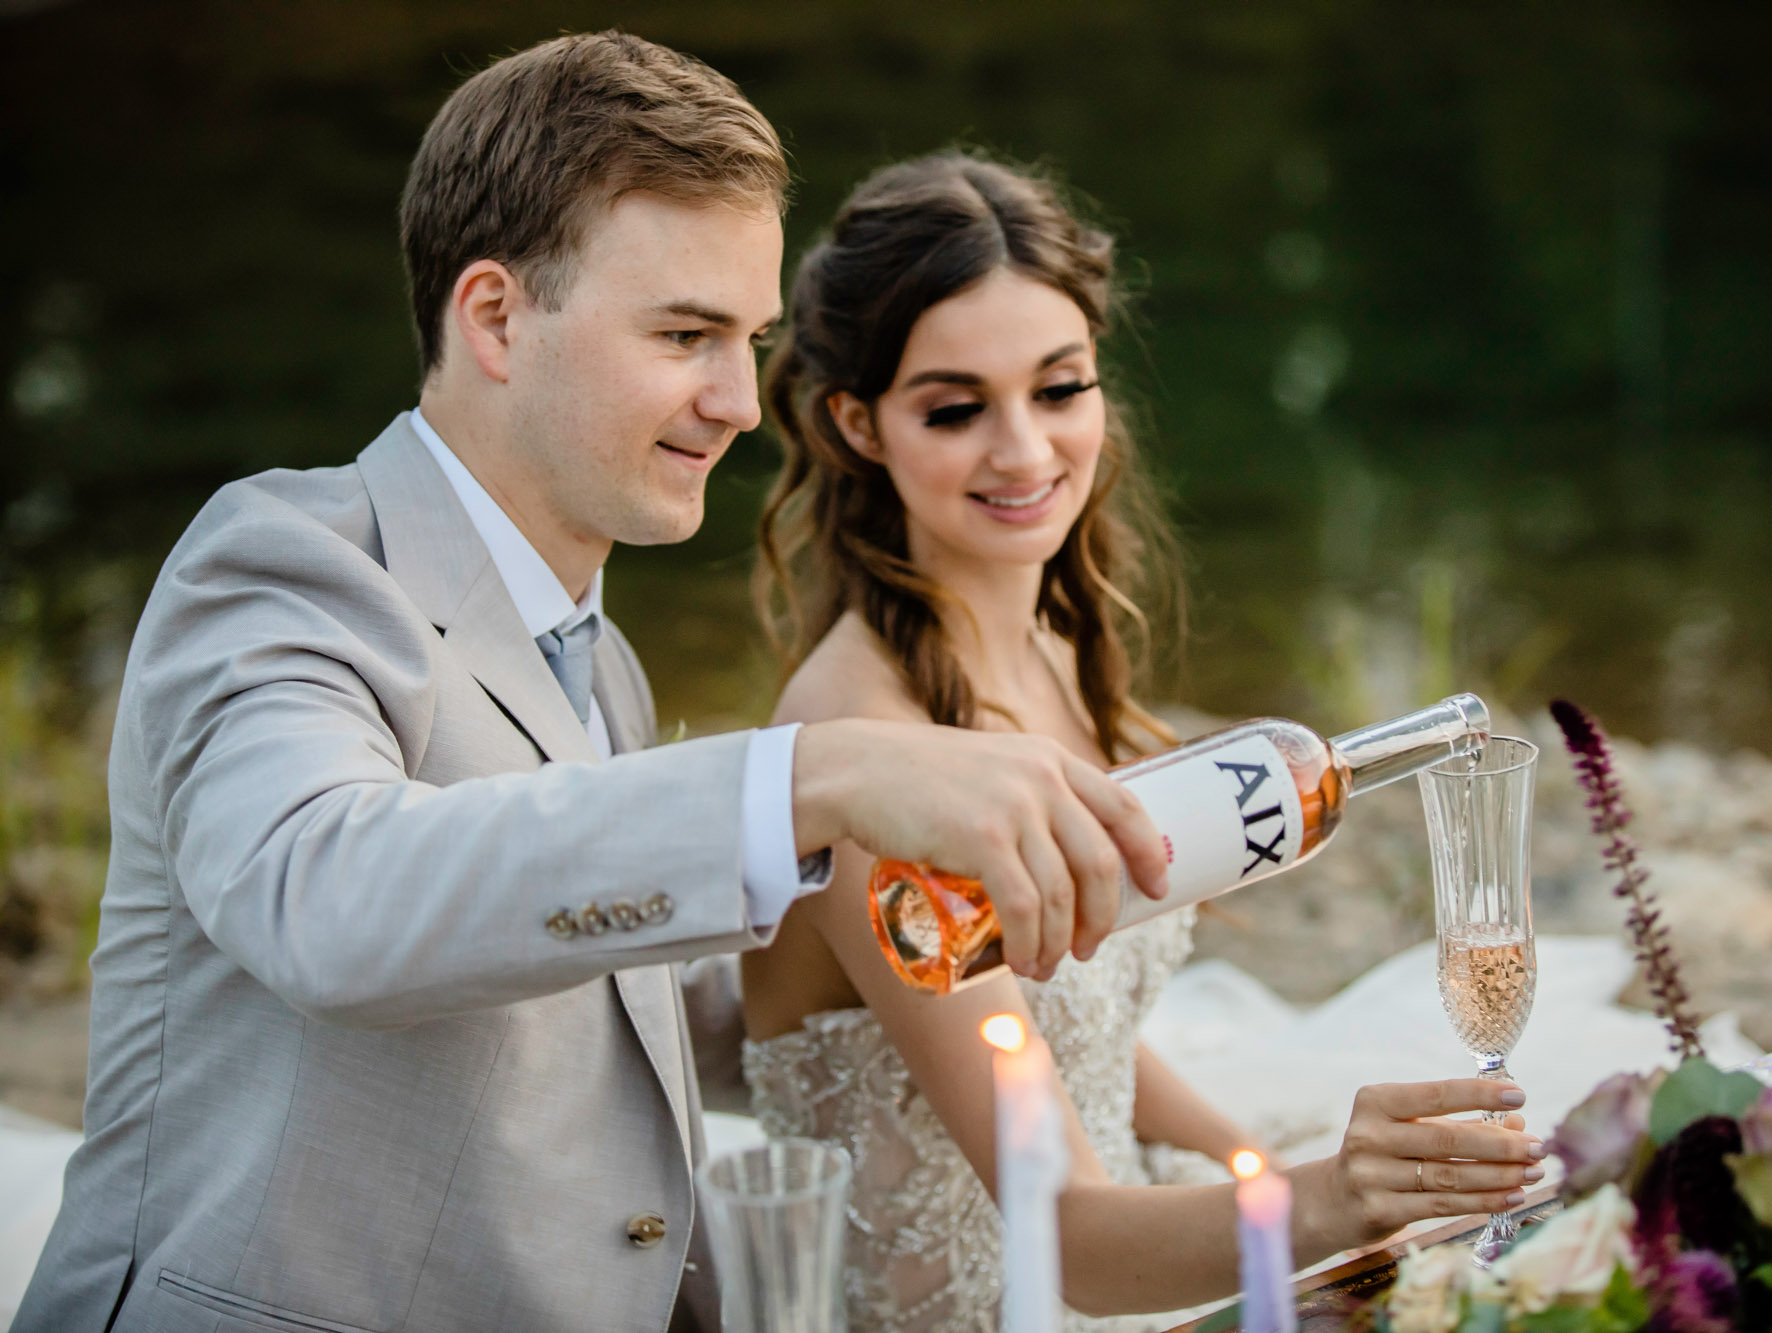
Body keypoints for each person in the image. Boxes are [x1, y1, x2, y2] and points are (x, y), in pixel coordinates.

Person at [14, 36, 1174, 1333]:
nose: (741, 402)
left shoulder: (597, 659)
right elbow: (325, 897)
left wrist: (889, 956)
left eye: (748, 338)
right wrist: (822, 771)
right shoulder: (286, 566)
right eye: (685, 334)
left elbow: (599, 1007)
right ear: (498, 318)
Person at [742, 151, 1545, 1332]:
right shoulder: (861, 756)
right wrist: (1331, 1200)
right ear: (856, 423)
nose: (1024, 452)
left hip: (1139, 1234)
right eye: (956, 408)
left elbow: (1071, 1028)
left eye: (1059, 388)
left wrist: (1245, 1165)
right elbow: (1070, 1241)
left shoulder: (1056, 645)